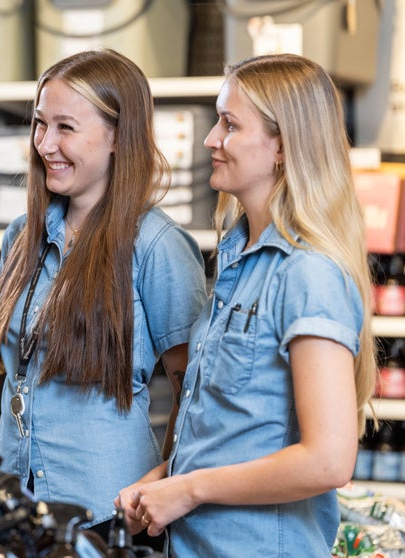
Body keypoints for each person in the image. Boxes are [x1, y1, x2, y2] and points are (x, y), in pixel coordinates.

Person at [116, 53, 378, 557]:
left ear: (282, 146)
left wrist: (188, 489)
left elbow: (328, 461)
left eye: (230, 124)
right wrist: (163, 481)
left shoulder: (308, 273)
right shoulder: (237, 263)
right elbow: (237, 432)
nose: (212, 139)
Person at [0, 49, 207, 541]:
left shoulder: (156, 246)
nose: (45, 144)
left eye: (66, 127)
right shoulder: (21, 237)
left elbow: (195, 397)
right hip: (14, 501)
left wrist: (159, 488)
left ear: (119, 136)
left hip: (108, 512)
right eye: (40, 124)